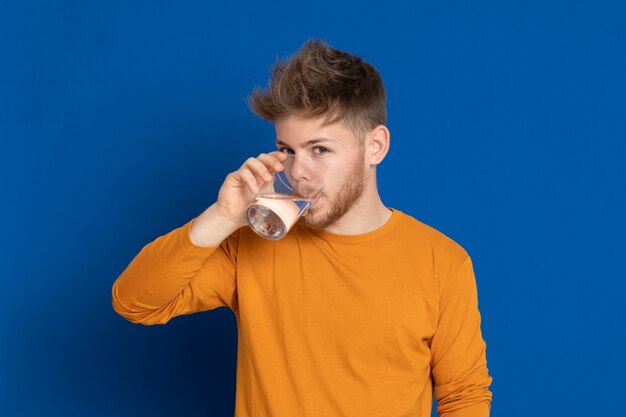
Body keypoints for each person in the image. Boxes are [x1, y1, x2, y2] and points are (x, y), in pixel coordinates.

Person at [112, 38, 493, 417]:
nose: (298, 172)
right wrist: (223, 216)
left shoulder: (442, 262)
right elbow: (135, 302)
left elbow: (465, 396)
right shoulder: (251, 245)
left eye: (320, 150)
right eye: (288, 150)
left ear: (375, 146)